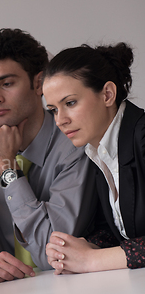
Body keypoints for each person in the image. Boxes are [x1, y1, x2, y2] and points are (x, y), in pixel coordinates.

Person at [0, 29, 96, 283]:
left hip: (75, 289)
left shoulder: (74, 144)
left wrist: (7, 168)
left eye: (7, 84)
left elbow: (50, 254)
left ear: (38, 83)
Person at [43, 43, 145, 274]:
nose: (60, 120)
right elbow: (119, 229)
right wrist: (75, 249)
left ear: (107, 94)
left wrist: (92, 260)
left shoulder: (141, 135)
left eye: (70, 103)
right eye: (53, 109)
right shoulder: (99, 151)